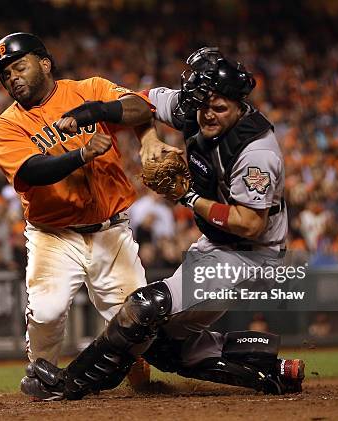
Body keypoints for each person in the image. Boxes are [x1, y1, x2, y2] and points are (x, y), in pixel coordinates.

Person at [22, 47, 305, 400]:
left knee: (145, 308)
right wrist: (96, 113)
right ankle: (266, 364)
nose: (207, 114)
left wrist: (188, 198)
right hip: (218, 246)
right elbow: (141, 104)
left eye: (219, 107)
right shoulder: (194, 109)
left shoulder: (256, 152)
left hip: (249, 254)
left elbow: (249, 224)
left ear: (239, 105)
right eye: (202, 104)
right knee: (158, 344)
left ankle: (70, 383)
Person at [0, 33, 179, 379]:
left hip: (111, 231)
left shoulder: (89, 89)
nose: (12, 77)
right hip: (54, 235)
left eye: (19, 67)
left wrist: (112, 116)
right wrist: (82, 153)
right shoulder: (5, 126)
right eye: (5, 74)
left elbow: (139, 107)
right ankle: (39, 373)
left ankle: (141, 389)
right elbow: (31, 170)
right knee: (46, 311)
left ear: (45, 64)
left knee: (135, 321)